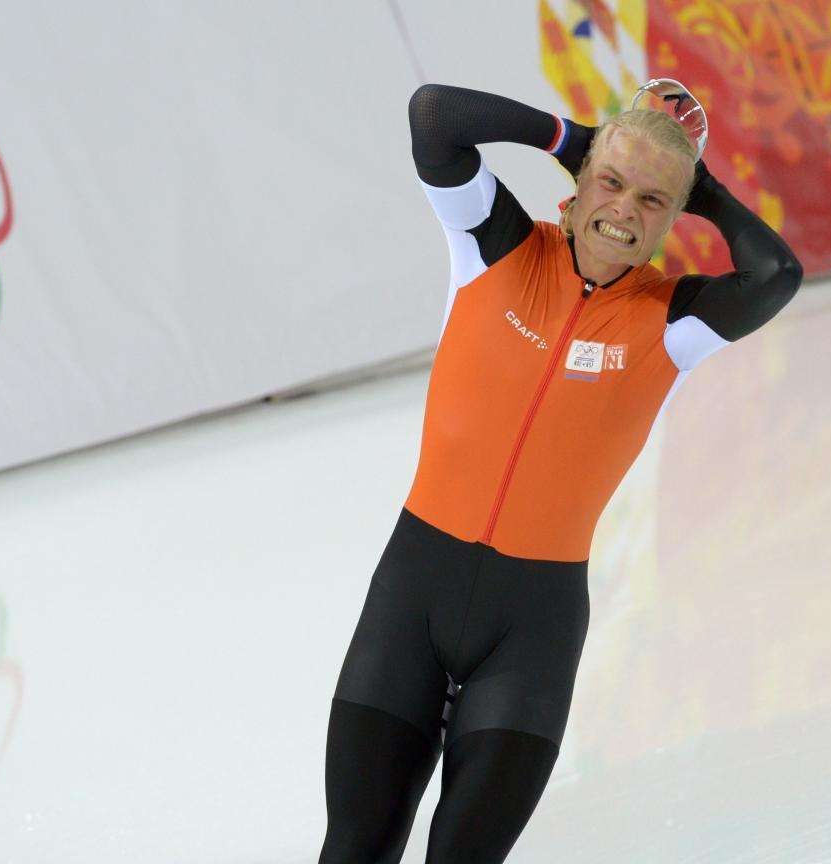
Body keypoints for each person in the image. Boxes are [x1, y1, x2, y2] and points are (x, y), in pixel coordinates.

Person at [317, 83, 802, 864]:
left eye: (653, 200)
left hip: (529, 634)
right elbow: (435, 116)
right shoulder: (494, 244)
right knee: (354, 847)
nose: (625, 210)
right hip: (411, 602)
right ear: (575, 190)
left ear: (672, 223)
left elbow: (776, 274)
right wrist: (575, 139)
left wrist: (699, 188)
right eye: (610, 183)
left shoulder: (673, 321)